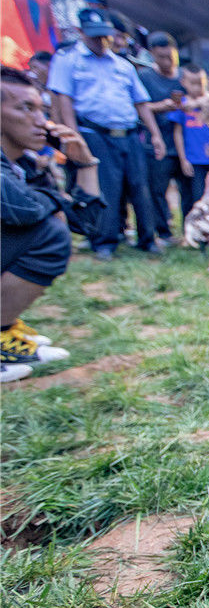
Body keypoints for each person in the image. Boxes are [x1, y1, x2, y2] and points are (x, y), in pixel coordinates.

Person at [1, 67, 106, 382]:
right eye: (26, 109)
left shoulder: (26, 165)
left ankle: (4, 331)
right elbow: (22, 211)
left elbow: (88, 225)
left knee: (53, 226)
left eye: (42, 110)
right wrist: (54, 202)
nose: (41, 120)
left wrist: (85, 163)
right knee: (49, 233)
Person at [47, 7, 165, 261]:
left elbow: (141, 102)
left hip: (129, 133)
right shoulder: (68, 61)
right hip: (94, 134)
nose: (101, 41)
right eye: (94, 36)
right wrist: (74, 136)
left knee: (140, 186)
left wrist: (155, 134)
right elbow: (63, 99)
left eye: (104, 36)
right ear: (80, 32)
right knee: (106, 189)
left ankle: (148, 239)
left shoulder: (123, 65)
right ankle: (105, 242)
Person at [139, 31, 191, 246]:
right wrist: (162, 106)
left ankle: (191, 231)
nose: (168, 61)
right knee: (157, 190)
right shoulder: (144, 78)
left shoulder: (185, 77)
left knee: (188, 190)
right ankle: (164, 233)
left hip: (187, 145)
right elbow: (138, 106)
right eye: (162, 57)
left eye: (171, 56)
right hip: (158, 143)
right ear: (152, 54)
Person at [168, 64, 209, 205]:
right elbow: (177, 133)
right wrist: (183, 159)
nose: (197, 88)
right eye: (193, 84)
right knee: (198, 198)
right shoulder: (182, 105)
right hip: (194, 161)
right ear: (183, 83)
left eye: (201, 83)